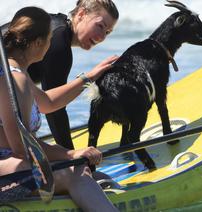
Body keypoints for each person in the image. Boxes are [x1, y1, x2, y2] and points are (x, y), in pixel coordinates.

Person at [0, 7, 119, 211]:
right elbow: (22, 147)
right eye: (49, 39)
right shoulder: (16, 80)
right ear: (38, 43)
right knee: (76, 172)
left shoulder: (17, 73)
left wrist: (88, 77)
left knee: (88, 172)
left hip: (11, 163)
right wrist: (69, 155)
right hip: (8, 172)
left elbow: (47, 103)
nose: (50, 44)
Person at [2, 0, 119, 150]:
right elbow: (54, 111)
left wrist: (89, 77)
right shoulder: (58, 42)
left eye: (107, 32)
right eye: (100, 26)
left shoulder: (55, 27)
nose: (102, 37)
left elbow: (47, 102)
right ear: (81, 14)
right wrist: (71, 158)